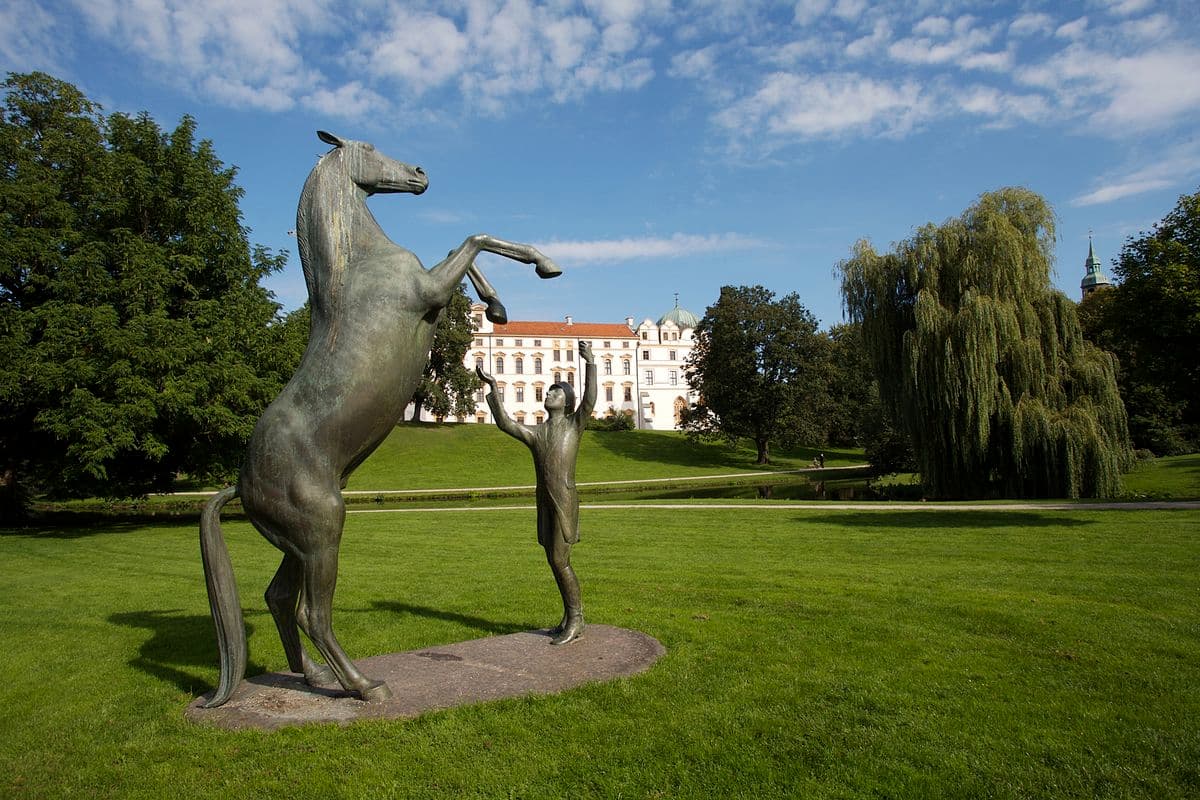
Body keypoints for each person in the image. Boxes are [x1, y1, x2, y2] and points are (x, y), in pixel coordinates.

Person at [477, 340, 596, 644]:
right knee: (554, 560)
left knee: (560, 560)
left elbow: (590, 400)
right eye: (549, 391)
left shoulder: (574, 424)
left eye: (556, 391)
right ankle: (570, 616)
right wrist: (493, 387)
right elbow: (504, 423)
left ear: (567, 401)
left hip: (564, 501)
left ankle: (577, 618)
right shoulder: (537, 433)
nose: (549, 393)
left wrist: (590, 362)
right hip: (544, 503)